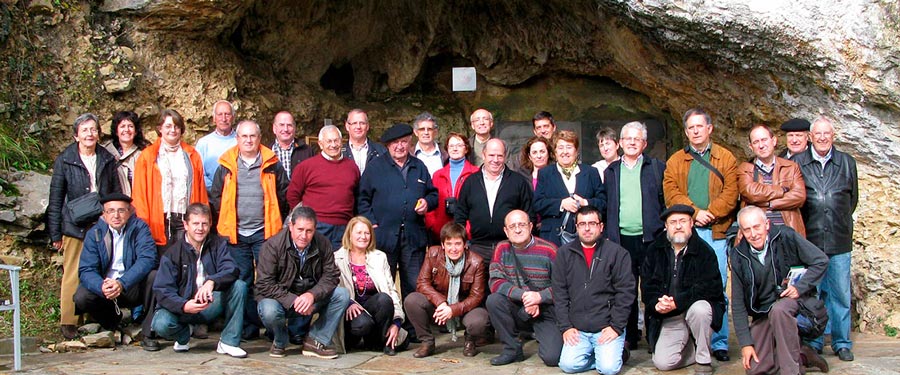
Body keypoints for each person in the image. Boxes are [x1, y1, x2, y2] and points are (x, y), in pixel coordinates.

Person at [663, 107, 738, 362]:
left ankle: (718, 342)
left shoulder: (725, 158)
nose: (695, 131)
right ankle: (692, 339)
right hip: (688, 232)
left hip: (715, 232)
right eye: (690, 128)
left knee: (717, 287)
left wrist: (710, 213)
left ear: (709, 128)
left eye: (699, 126)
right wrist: (695, 212)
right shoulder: (675, 161)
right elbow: (671, 191)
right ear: (686, 132)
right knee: (684, 284)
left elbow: (731, 192)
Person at [209, 119, 289, 339]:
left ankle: (273, 327)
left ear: (259, 138)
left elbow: (283, 196)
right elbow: (216, 197)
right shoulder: (226, 165)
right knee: (242, 282)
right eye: (244, 136)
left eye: (252, 136)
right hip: (236, 234)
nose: (248, 140)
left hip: (265, 232)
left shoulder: (272, 164)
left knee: (268, 280)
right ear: (237, 139)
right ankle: (250, 327)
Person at [731, 206, 830, 374]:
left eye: (757, 227)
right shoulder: (738, 256)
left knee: (780, 310)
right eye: (747, 230)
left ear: (767, 224)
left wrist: (799, 287)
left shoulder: (787, 236)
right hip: (763, 311)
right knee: (756, 369)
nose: (753, 234)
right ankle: (803, 356)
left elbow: (821, 261)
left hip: (795, 302)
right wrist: (746, 344)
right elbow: (738, 304)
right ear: (741, 232)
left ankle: (791, 370)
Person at [48, 113, 121, 339]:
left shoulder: (107, 158)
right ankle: (69, 320)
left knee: (98, 270)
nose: (90, 134)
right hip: (74, 225)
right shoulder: (66, 159)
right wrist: (55, 232)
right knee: (72, 272)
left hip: (100, 225)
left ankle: (92, 316)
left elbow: (113, 192)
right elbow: (56, 197)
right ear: (76, 135)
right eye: (85, 130)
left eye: (93, 129)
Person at [793, 116, 858, 361]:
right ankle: (814, 341)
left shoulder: (847, 162)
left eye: (826, 133)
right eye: (817, 134)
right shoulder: (798, 162)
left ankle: (841, 342)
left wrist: (836, 221)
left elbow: (852, 201)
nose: (822, 138)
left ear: (833, 136)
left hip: (839, 238)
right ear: (810, 137)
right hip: (810, 240)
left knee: (841, 294)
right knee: (812, 295)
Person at [151, 203, 248, 358]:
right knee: (161, 324)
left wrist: (212, 281)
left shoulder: (218, 244)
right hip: (182, 307)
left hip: (209, 304)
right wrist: (183, 305)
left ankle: (229, 342)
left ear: (210, 224)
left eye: (204, 223)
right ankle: (184, 335)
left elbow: (232, 269)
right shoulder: (172, 253)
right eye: (195, 223)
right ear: (186, 225)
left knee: (239, 286)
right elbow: (162, 290)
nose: (200, 228)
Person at [256, 205, 350, 359]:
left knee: (342, 294)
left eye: (309, 231)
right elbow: (264, 283)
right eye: (300, 229)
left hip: (310, 298)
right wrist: (293, 300)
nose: (304, 236)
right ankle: (279, 341)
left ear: (315, 229)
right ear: (291, 226)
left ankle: (316, 340)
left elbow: (331, 275)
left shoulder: (323, 243)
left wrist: (312, 295)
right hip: (281, 300)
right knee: (268, 309)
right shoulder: (272, 246)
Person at [603, 121, 667, 349]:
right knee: (625, 288)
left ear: (644, 143)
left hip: (650, 238)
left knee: (651, 288)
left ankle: (653, 335)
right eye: (627, 138)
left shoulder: (656, 167)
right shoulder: (611, 171)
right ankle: (630, 334)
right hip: (621, 239)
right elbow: (606, 204)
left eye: (636, 139)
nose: (631, 142)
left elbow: (663, 201)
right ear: (620, 143)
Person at [641, 204, 725, 374]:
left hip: (695, 312)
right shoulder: (654, 250)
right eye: (673, 222)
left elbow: (711, 288)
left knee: (700, 310)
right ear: (666, 227)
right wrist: (657, 303)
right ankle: (692, 348)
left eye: (683, 221)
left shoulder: (704, 252)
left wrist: (678, 302)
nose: (678, 226)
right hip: (669, 316)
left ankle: (703, 359)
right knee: (663, 363)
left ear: (691, 224)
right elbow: (647, 285)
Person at [357, 123, 438, 299]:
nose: (400, 146)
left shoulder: (419, 166)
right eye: (395, 143)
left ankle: (411, 326)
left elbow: (433, 194)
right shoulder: (375, 167)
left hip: (413, 237)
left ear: (410, 143)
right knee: (383, 285)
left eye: (404, 142)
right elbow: (362, 199)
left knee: (414, 286)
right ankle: (385, 325)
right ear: (388, 145)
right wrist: (372, 224)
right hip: (383, 237)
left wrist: (427, 202)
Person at [554, 205, 635, 375]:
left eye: (592, 223)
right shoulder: (564, 253)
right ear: (576, 227)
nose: (587, 228)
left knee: (608, 369)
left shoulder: (617, 254)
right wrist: (566, 327)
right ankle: (602, 356)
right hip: (578, 329)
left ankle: (617, 353)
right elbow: (559, 293)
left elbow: (625, 293)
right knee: (568, 366)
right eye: (582, 224)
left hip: (606, 327)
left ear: (601, 226)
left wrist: (616, 327)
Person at [75, 193, 158, 350]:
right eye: (111, 211)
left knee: (154, 277)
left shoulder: (140, 228)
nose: (116, 215)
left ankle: (148, 333)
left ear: (129, 211)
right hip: (106, 286)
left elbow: (147, 259)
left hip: (130, 285)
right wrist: (101, 285)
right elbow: (86, 269)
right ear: (104, 214)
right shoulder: (95, 233)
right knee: (82, 296)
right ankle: (111, 322)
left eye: (121, 210)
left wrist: (122, 283)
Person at [485, 210, 562, 366]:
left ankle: (542, 336)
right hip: (518, 307)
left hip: (546, 311)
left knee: (552, 358)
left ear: (531, 226)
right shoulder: (502, 249)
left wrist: (540, 298)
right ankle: (512, 349)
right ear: (506, 231)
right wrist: (525, 297)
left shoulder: (549, 250)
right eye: (512, 226)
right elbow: (495, 282)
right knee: (494, 301)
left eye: (522, 224)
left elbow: (563, 287)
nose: (518, 230)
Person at [405, 222, 489, 358]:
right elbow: (422, 283)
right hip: (439, 309)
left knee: (480, 319)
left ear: (465, 245)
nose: (453, 248)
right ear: (443, 245)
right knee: (412, 300)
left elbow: (476, 296)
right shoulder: (433, 254)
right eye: (449, 244)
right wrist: (441, 303)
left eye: (458, 244)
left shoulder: (476, 261)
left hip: (464, 310)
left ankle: (470, 341)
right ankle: (427, 342)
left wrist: (453, 309)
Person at [132, 109, 208, 251]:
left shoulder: (192, 155)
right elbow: (139, 194)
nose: (172, 130)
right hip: (158, 218)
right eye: (168, 126)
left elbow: (200, 190)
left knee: (185, 260)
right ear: (160, 128)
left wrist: (202, 218)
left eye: (176, 126)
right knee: (162, 262)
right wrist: (143, 222)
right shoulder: (147, 156)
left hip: (185, 217)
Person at [455, 138, 534, 268]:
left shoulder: (518, 182)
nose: (495, 160)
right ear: (484, 155)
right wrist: (464, 243)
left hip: (509, 247)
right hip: (477, 247)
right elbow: (460, 216)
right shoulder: (470, 182)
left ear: (505, 157)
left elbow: (528, 213)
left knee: (508, 287)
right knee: (478, 288)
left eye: (500, 156)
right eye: (491, 155)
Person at [333, 216, 406, 355]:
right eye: (358, 233)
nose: (363, 237)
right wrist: (348, 303)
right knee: (362, 324)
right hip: (351, 314)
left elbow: (391, 291)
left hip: (374, 310)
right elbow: (333, 290)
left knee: (384, 299)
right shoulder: (337, 258)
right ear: (349, 234)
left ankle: (377, 342)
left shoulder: (380, 257)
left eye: (367, 233)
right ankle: (353, 341)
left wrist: (396, 322)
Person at [287, 125, 360, 249]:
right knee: (314, 265)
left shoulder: (352, 166)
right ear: (320, 144)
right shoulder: (306, 167)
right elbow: (292, 195)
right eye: (329, 141)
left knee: (339, 266)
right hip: (316, 226)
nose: (333, 145)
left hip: (344, 227)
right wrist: (306, 219)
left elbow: (356, 195)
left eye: (336, 140)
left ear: (341, 142)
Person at [534, 130, 605, 246]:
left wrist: (585, 202)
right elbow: (538, 204)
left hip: (585, 237)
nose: (565, 152)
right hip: (553, 237)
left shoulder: (591, 172)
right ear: (555, 152)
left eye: (569, 147)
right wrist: (561, 204)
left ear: (576, 151)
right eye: (561, 147)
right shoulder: (545, 173)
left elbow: (603, 202)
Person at [737, 125, 806, 237]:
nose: (761, 145)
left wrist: (770, 203)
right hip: (758, 236)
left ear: (773, 141)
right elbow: (751, 193)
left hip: (788, 232)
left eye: (764, 140)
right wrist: (782, 190)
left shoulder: (791, 167)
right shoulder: (745, 169)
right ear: (751, 147)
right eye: (756, 142)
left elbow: (799, 196)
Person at [425, 132, 479, 242]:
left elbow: (479, 205)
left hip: (468, 233)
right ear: (447, 149)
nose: (455, 149)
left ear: (466, 149)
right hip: (440, 231)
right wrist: (432, 224)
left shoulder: (476, 173)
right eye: (451, 146)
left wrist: (468, 229)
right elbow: (430, 199)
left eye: (459, 145)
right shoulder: (438, 175)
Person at [103, 111, 148, 196]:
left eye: (130, 126)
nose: (126, 130)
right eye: (122, 126)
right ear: (116, 131)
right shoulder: (106, 153)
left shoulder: (143, 154)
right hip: (115, 204)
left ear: (135, 131)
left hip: (138, 203)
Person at [195, 100, 237, 189]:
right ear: (214, 118)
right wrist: (215, 189)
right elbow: (198, 171)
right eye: (220, 114)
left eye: (227, 114)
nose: (224, 118)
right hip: (209, 196)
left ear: (233, 117)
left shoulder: (241, 141)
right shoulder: (203, 143)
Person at [270, 111, 316, 179]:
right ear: (274, 128)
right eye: (281, 125)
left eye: (289, 125)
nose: (286, 129)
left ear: (294, 128)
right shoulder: (266, 152)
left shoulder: (307, 151)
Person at [342, 108, 387, 175]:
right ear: (347, 126)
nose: (358, 127)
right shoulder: (339, 153)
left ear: (367, 126)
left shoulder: (381, 151)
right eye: (354, 123)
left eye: (362, 123)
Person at [411, 112, 448, 176]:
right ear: (416, 132)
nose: (426, 132)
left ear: (435, 132)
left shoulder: (446, 154)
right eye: (422, 129)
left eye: (429, 129)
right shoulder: (408, 154)